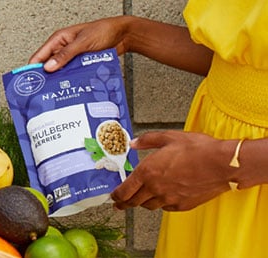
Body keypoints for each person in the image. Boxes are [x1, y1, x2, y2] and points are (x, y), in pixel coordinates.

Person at [28, 0, 268, 257]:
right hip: (217, 160)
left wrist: (226, 165)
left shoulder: (222, 165)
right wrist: (131, 34)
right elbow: (245, 62)